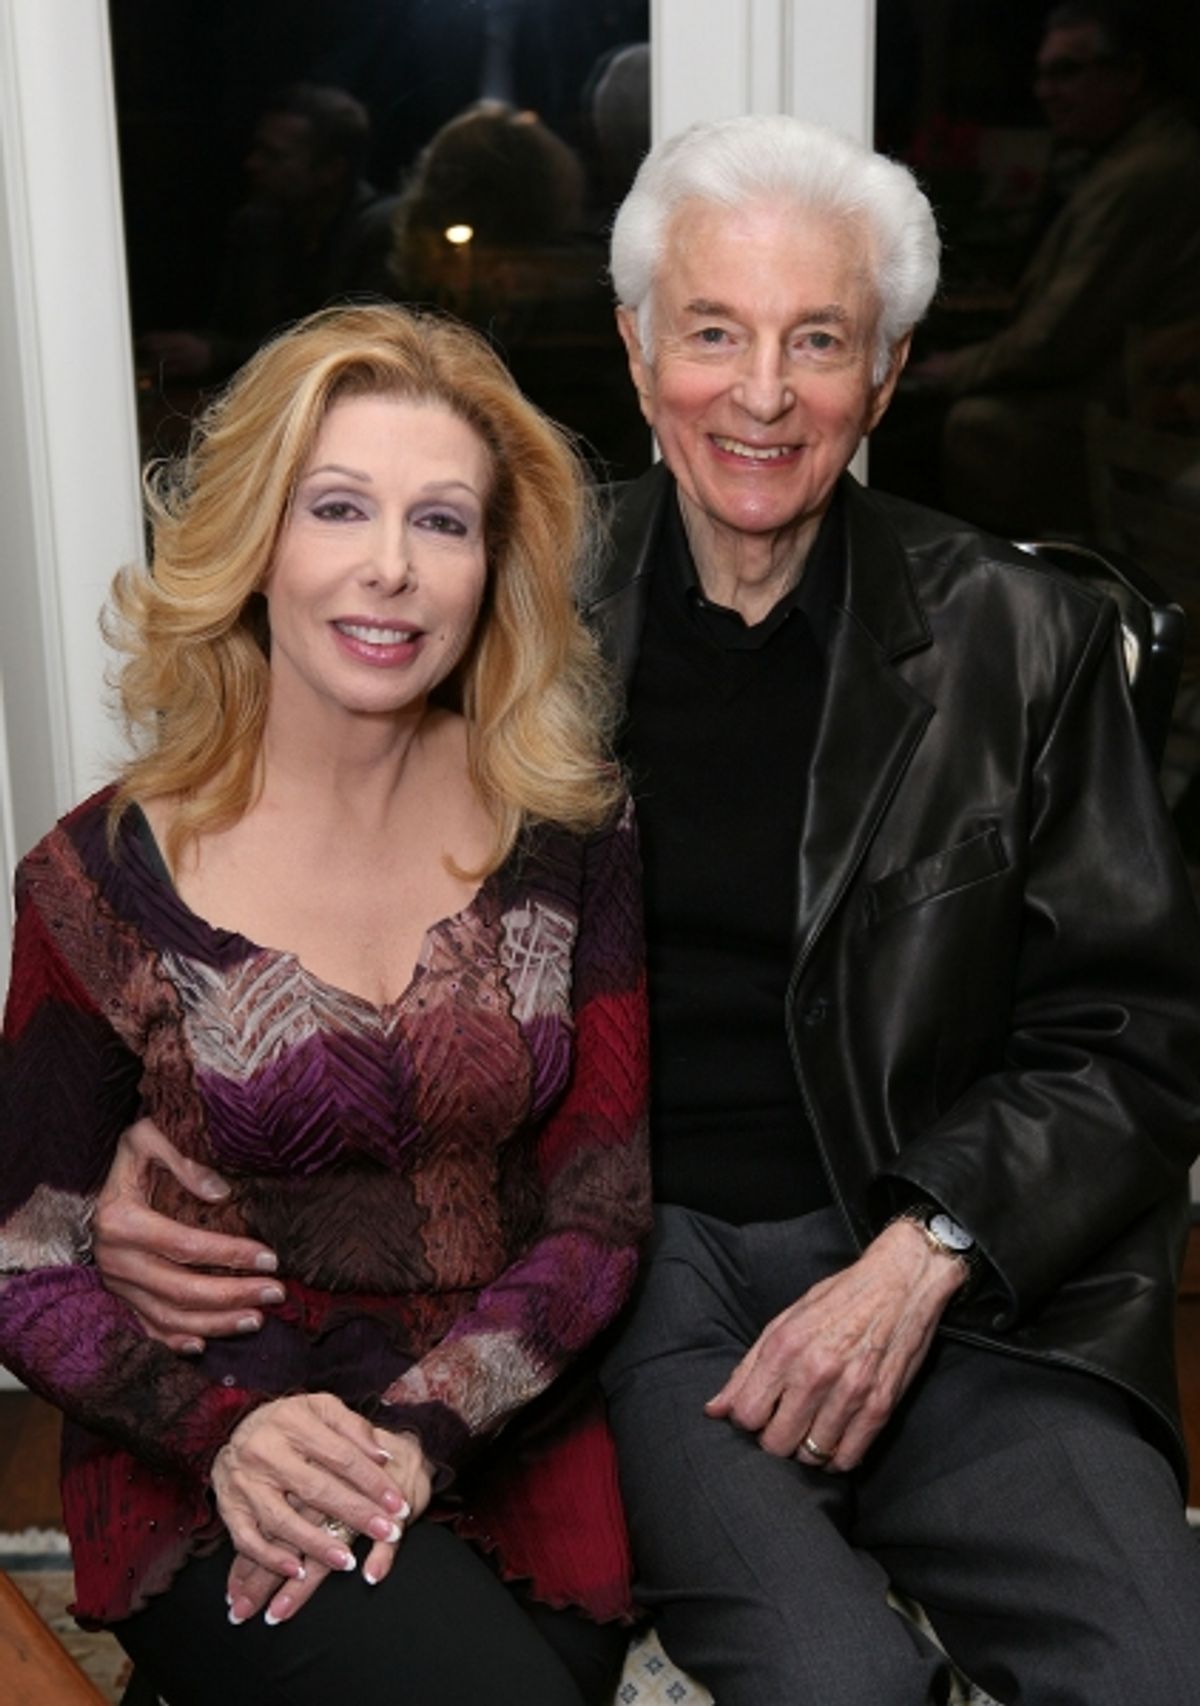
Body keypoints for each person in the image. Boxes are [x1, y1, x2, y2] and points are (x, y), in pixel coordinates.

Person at [89, 113, 1200, 1705]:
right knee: (837, 1684)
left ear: (884, 374)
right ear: (632, 349)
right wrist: (162, 1129)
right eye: (712, 333)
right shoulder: (511, 611)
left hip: (963, 1273)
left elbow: (1138, 1030)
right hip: (639, 1273)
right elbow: (290, 865)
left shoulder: (1027, 643)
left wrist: (929, 1246)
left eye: (818, 340)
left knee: (1163, 1661)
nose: (761, 393)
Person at [0, 303, 650, 1706]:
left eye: (444, 523)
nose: (391, 570)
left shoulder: (569, 830)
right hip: (220, 1449)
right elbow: (24, 1256)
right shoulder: (95, 874)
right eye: (339, 507)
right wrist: (222, 1430)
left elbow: (603, 1209)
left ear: (495, 568)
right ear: (255, 544)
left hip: (500, 1423)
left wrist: (420, 1429)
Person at [910, 1, 1200, 535]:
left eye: (1067, 71)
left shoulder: (1148, 172)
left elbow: (1057, 340)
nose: (1046, 91)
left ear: (1130, 75)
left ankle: (1034, 588)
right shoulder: (1118, 158)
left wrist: (955, 370)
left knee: (966, 426)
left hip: (1149, 401)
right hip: (1115, 377)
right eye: (1041, 74)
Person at [140, 85, 399, 384]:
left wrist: (217, 354)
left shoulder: (380, 230)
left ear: (331, 170)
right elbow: (232, 325)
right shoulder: (257, 227)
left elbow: (351, 348)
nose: (252, 164)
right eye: (256, 150)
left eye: (273, 156)